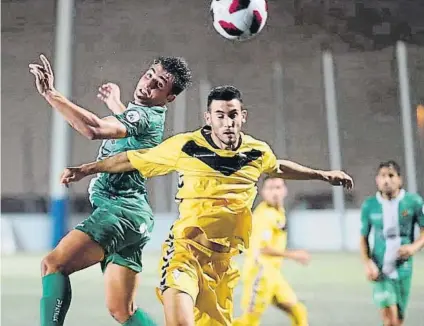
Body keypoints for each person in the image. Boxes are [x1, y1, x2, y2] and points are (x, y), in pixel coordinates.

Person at [59, 85, 353, 326]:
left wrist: (322, 174)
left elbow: (276, 167)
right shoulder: (186, 146)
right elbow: (131, 159)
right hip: (184, 253)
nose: (227, 123)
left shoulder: (257, 151)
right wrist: (87, 169)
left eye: (233, 115)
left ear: (243, 117)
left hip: (222, 267)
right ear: (208, 117)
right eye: (220, 116)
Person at [28, 54, 192, 326]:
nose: (148, 83)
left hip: (119, 211)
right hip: (136, 218)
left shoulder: (143, 115)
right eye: (150, 73)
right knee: (122, 311)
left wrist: (50, 94)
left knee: (53, 265)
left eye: (159, 83)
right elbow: (128, 125)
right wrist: (114, 101)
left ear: (169, 97)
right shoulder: (147, 116)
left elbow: (94, 129)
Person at [234, 176, 311, 326]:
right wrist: (293, 255)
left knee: (298, 311)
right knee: (248, 322)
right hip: (260, 274)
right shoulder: (263, 215)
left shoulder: (278, 211)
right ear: (263, 192)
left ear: (285, 191)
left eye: (278, 188)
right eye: (270, 188)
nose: (275, 192)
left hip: (273, 275)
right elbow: (263, 248)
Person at [360, 160, 424, 326]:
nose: (386, 180)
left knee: (399, 320)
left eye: (391, 176)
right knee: (390, 320)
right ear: (377, 180)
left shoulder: (414, 202)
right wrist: (367, 263)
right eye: (382, 176)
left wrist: (413, 247)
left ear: (400, 179)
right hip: (380, 268)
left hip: (403, 269)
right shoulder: (369, 205)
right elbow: (363, 238)